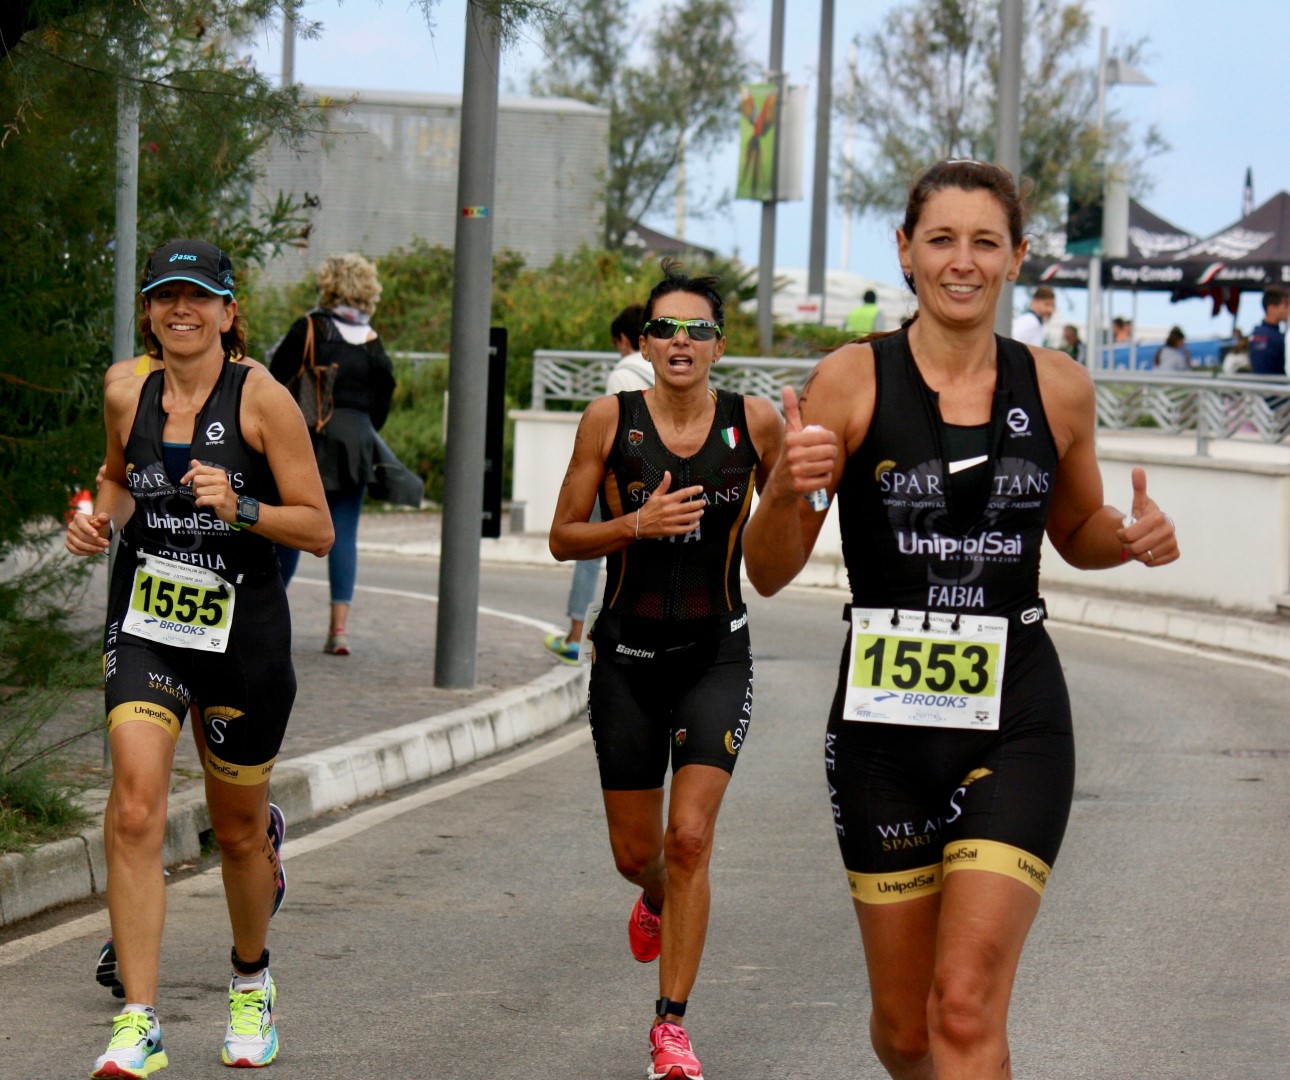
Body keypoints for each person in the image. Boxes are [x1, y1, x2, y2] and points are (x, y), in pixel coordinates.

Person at [742, 159, 1179, 1079]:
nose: (963, 261)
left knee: (965, 1005)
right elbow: (770, 573)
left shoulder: (1058, 388)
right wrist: (787, 485)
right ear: (906, 252)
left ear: (1017, 256)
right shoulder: (850, 380)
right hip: (882, 733)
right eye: (941, 239)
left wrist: (1130, 537)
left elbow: (1075, 531)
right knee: (907, 1033)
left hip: (1017, 714)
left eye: (986, 242)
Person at [66, 238, 334, 1076]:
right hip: (148, 619)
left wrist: (245, 504)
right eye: (164, 296)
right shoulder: (124, 388)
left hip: (241, 630)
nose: (180, 311)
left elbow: (318, 529)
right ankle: (139, 1023)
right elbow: (115, 477)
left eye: (198, 297)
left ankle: (251, 982)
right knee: (137, 807)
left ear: (228, 311)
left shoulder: (261, 400)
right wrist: (94, 521)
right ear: (149, 309)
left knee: (237, 831)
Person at [548, 261, 783, 1080]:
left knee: (690, 841)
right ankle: (652, 898)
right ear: (644, 342)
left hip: (717, 651)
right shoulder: (608, 421)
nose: (680, 343)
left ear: (719, 344)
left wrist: (815, 472)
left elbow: (791, 519)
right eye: (665, 330)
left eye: (697, 331)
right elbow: (562, 537)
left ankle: (671, 1026)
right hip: (628, 659)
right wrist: (635, 524)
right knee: (636, 854)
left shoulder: (756, 422)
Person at [269, 253, 396, 656]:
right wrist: (362, 426)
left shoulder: (310, 327)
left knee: (289, 528)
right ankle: (339, 630)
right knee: (344, 533)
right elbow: (386, 393)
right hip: (356, 443)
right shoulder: (371, 340)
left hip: (309, 439)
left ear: (328, 284)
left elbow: (272, 381)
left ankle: (271, 620)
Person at [544, 304, 654, 664]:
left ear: (625, 340)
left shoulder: (622, 374)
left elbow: (613, 430)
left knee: (587, 552)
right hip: (656, 479)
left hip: (617, 477)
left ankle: (577, 637)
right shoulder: (665, 370)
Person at [1248, 287, 1289, 375]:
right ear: (1271, 308)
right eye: (1286, 305)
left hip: (1258, 386)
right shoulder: (1279, 339)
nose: (1288, 310)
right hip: (1277, 386)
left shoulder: (1255, 334)